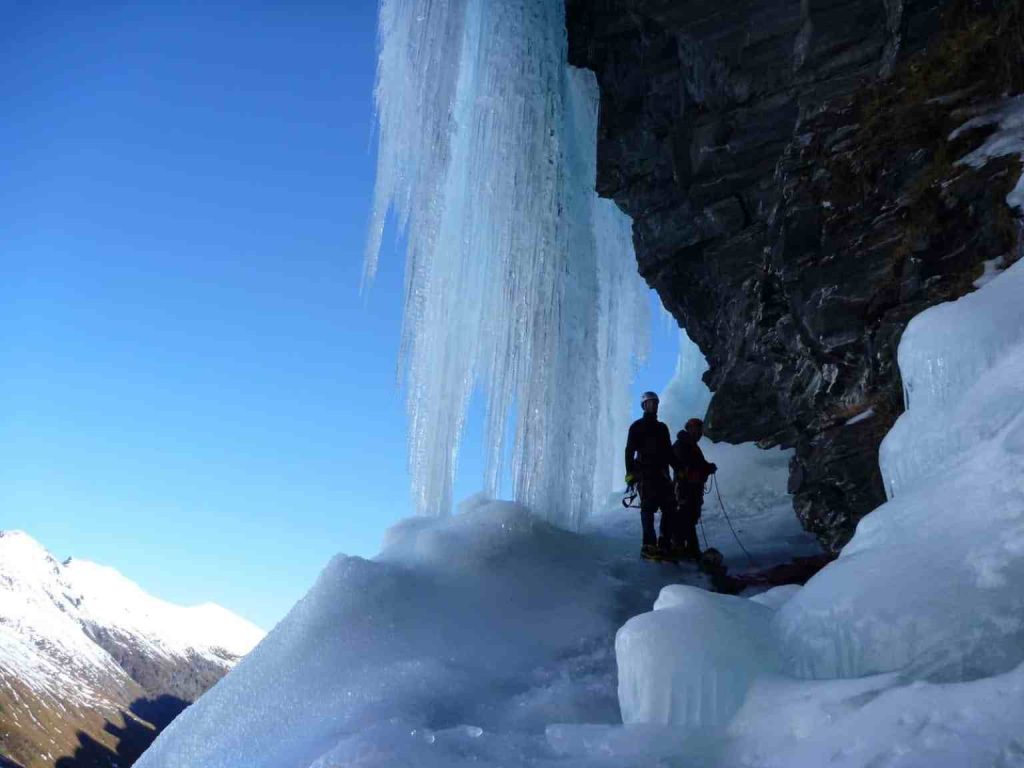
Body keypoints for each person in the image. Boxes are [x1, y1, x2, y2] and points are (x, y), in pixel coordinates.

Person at [624, 391, 679, 560]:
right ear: (644, 405)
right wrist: (630, 474)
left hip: (661, 474)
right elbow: (629, 451)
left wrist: (679, 469)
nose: (654, 405)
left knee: (669, 507)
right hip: (646, 474)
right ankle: (648, 545)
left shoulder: (662, 428)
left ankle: (664, 544)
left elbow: (669, 452)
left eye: (655, 402)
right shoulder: (637, 427)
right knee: (647, 508)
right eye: (651, 402)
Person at [672, 417, 717, 561]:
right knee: (686, 518)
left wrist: (707, 468)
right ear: (690, 429)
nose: (699, 434)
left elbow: (698, 465)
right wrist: (706, 469)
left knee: (689, 518)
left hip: (691, 489)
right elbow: (686, 467)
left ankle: (688, 549)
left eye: (700, 431)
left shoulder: (689, 445)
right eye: (697, 430)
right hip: (685, 489)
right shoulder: (683, 445)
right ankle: (683, 548)